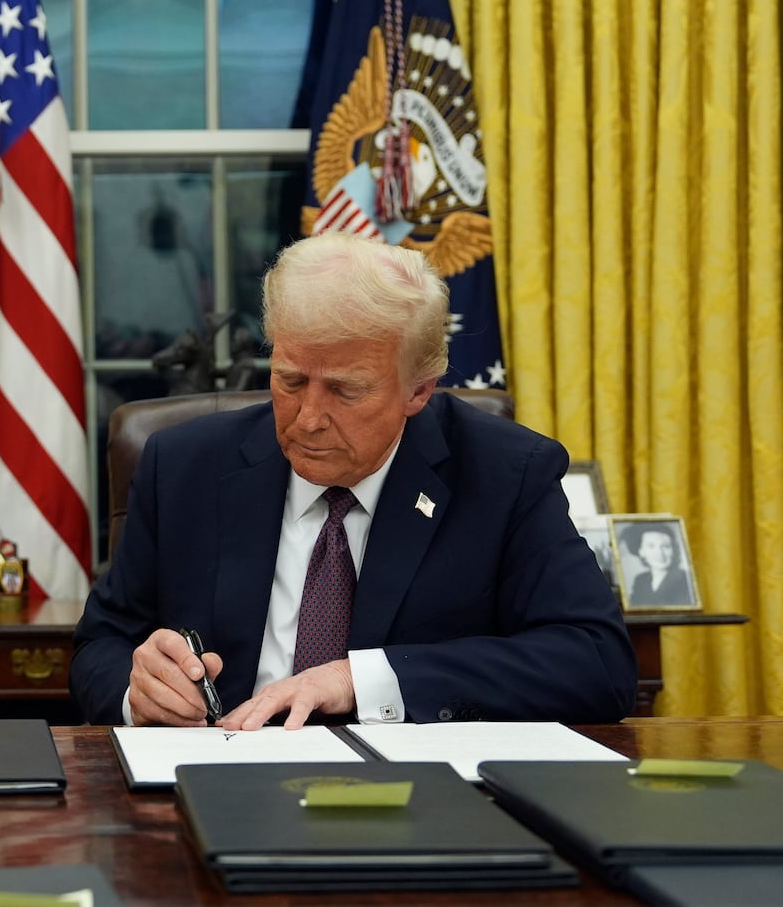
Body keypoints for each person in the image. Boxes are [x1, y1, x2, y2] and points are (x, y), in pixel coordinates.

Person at [70, 232, 636, 729]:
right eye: (290, 380)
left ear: (419, 390)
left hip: (420, 806)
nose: (308, 417)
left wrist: (360, 681)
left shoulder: (503, 474)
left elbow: (596, 663)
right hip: (218, 778)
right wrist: (136, 690)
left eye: (345, 390)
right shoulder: (184, 466)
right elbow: (100, 646)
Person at [622, 524, 693, 607]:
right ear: (641, 551)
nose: (659, 554)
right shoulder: (640, 580)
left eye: (666, 546)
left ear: (674, 550)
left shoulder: (685, 579)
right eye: (651, 546)